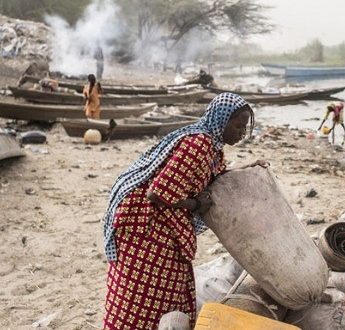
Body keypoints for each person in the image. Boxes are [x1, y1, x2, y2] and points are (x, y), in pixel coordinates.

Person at [102, 93, 268, 329]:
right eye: (239, 126)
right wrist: (197, 205)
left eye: (245, 127)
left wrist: (247, 167)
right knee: (144, 288)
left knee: (166, 286)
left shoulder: (213, 148)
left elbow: (212, 178)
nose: (242, 133)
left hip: (160, 220)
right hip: (146, 224)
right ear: (221, 121)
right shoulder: (198, 144)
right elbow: (157, 193)